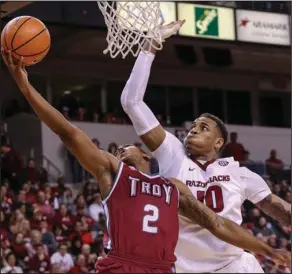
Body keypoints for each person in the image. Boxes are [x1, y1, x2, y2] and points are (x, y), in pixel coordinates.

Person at [1, 48, 290, 273]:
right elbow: (74, 129)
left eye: (125, 147)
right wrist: (26, 88)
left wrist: (264, 247)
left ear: (146, 155)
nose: (120, 151)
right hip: (150, 265)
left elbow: (218, 223)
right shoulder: (130, 169)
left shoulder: (177, 187)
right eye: (116, 151)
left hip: (195, 265)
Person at [120, 20, 291, 273]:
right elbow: (132, 102)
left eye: (203, 128)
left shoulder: (240, 173)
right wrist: (150, 45)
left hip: (233, 265)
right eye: (194, 125)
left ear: (219, 142)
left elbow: (278, 208)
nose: (193, 129)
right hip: (183, 268)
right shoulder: (172, 153)